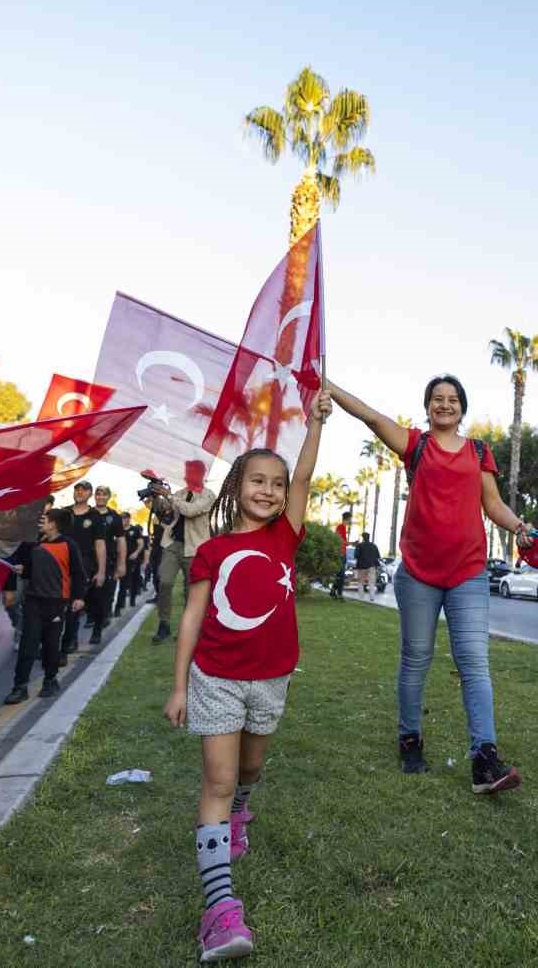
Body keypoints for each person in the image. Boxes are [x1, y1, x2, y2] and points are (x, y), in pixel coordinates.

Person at [164, 388, 331, 962]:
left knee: (250, 769)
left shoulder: (285, 535)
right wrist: (181, 685)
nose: (270, 490)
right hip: (216, 677)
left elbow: (307, 476)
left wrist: (315, 426)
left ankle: (240, 813)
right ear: (236, 486)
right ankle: (220, 912)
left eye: (277, 484)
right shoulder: (211, 550)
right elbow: (191, 618)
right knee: (216, 779)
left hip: (272, 677)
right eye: (258, 480)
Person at [331, 375, 528, 794]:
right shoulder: (416, 444)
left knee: (474, 662)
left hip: (469, 573)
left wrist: (519, 527)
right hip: (419, 573)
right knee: (416, 657)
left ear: (462, 407)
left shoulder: (478, 451)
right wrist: (329, 387)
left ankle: (484, 761)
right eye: (437, 399)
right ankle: (410, 738)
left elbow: (492, 504)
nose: (445, 405)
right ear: (427, 407)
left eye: (453, 399)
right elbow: (371, 417)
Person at [5, 508, 86, 704]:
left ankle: (50, 680)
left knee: (50, 645)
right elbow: (31, 571)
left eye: (46, 519)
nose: (42, 521)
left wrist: (78, 597)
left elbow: (77, 574)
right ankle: (20, 687)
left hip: (56, 602)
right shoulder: (37, 542)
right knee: (28, 645)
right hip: (33, 600)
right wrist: (22, 569)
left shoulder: (69, 545)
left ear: (55, 524)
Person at [147, 470, 218, 645]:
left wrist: (169, 496)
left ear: (202, 476)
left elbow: (190, 511)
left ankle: (187, 629)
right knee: (164, 581)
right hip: (172, 544)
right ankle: (164, 625)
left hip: (195, 548)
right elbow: (164, 510)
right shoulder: (179, 494)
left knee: (190, 591)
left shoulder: (208, 495)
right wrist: (156, 495)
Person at [64, 481, 107, 654]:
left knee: (80, 600)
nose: (80, 493)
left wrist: (101, 571)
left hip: (85, 565)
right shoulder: (64, 513)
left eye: (84, 490)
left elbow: (100, 544)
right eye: (77, 490)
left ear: (89, 494)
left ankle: (72, 638)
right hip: (63, 562)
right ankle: (67, 638)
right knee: (65, 602)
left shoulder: (95, 516)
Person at [90, 485, 127, 643]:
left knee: (102, 597)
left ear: (108, 497)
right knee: (87, 598)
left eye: (104, 494)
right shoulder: (88, 513)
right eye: (98, 494)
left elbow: (121, 541)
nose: (100, 497)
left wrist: (121, 564)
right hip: (87, 560)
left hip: (109, 561)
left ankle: (97, 630)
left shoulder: (115, 517)